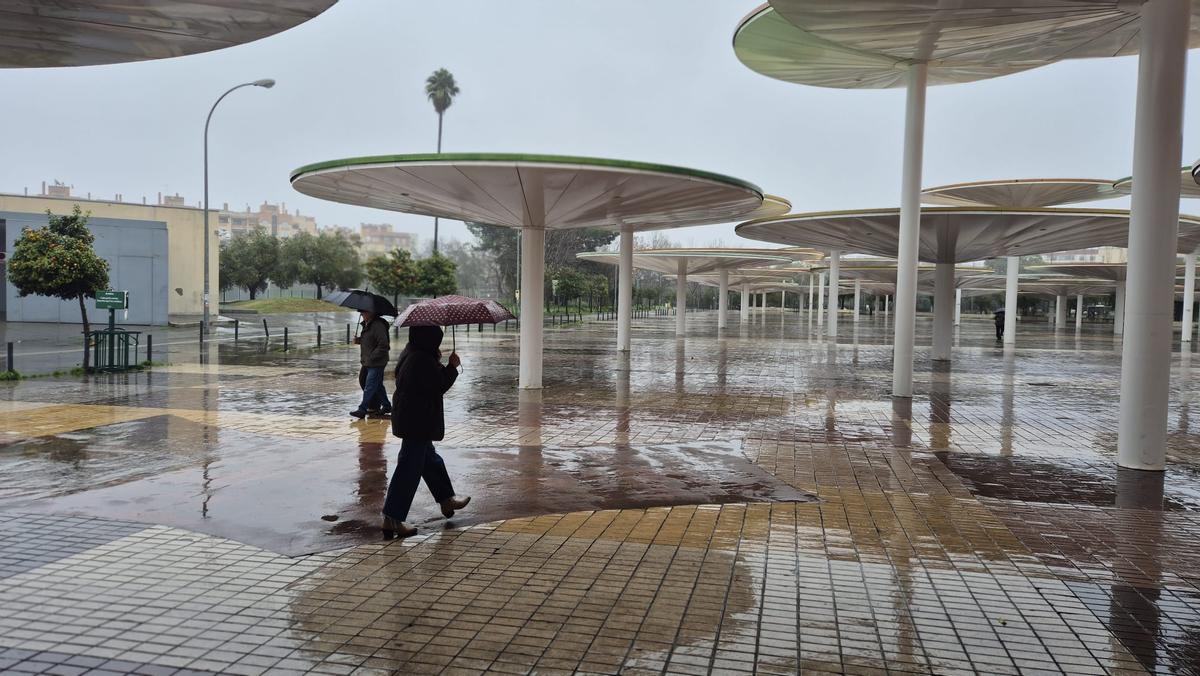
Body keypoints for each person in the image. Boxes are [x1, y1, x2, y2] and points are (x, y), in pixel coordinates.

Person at [381, 325, 470, 539]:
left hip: (413, 418)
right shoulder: (420, 358)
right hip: (417, 421)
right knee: (409, 468)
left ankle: (446, 499)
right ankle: (391, 518)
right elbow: (437, 385)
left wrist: (436, 361)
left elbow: (425, 381)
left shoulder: (414, 352)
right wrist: (451, 367)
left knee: (430, 461)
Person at [351, 310, 391, 419]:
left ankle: (362, 409)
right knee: (377, 386)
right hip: (368, 361)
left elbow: (384, 345)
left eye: (363, 312)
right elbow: (369, 341)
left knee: (370, 386)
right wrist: (359, 340)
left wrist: (372, 357)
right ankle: (387, 406)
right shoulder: (368, 324)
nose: (361, 314)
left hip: (377, 362)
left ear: (371, 313)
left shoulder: (378, 325)